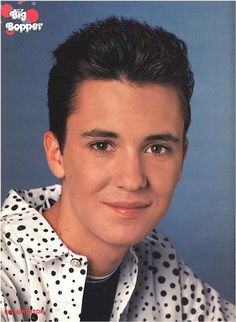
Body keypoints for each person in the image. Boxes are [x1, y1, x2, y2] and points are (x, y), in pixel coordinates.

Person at [1, 16, 235, 322]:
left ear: (182, 159)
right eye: (102, 145)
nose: (133, 179)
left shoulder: (158, 260)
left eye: (157, 148)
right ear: (57, 154)